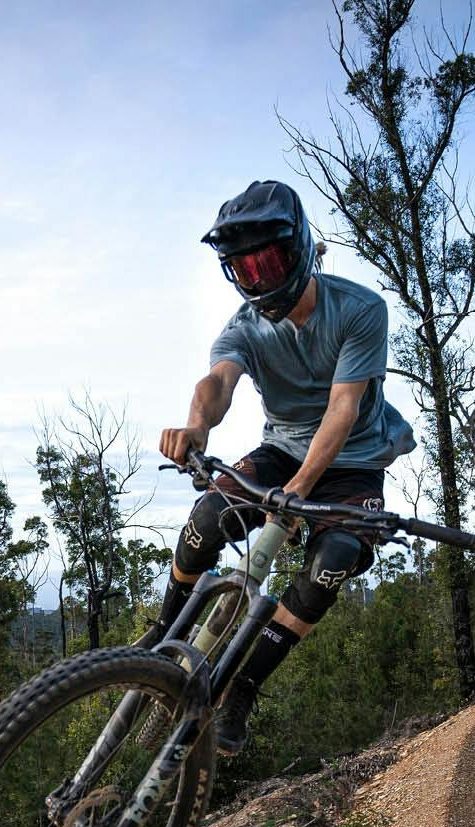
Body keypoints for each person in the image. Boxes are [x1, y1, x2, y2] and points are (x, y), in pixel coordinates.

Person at [152, 179, 416, 755]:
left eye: (269, 262)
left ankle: (243, 688)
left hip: (354, 461)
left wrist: (296, 495)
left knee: (337, 559)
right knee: (207, 516)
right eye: (244, 271)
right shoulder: (245, 326)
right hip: (283, 451)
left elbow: (343, 410)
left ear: (298, 250)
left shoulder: (360, 309)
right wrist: (197, 426)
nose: (259, 280)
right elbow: (218, 382)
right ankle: (164, 631)